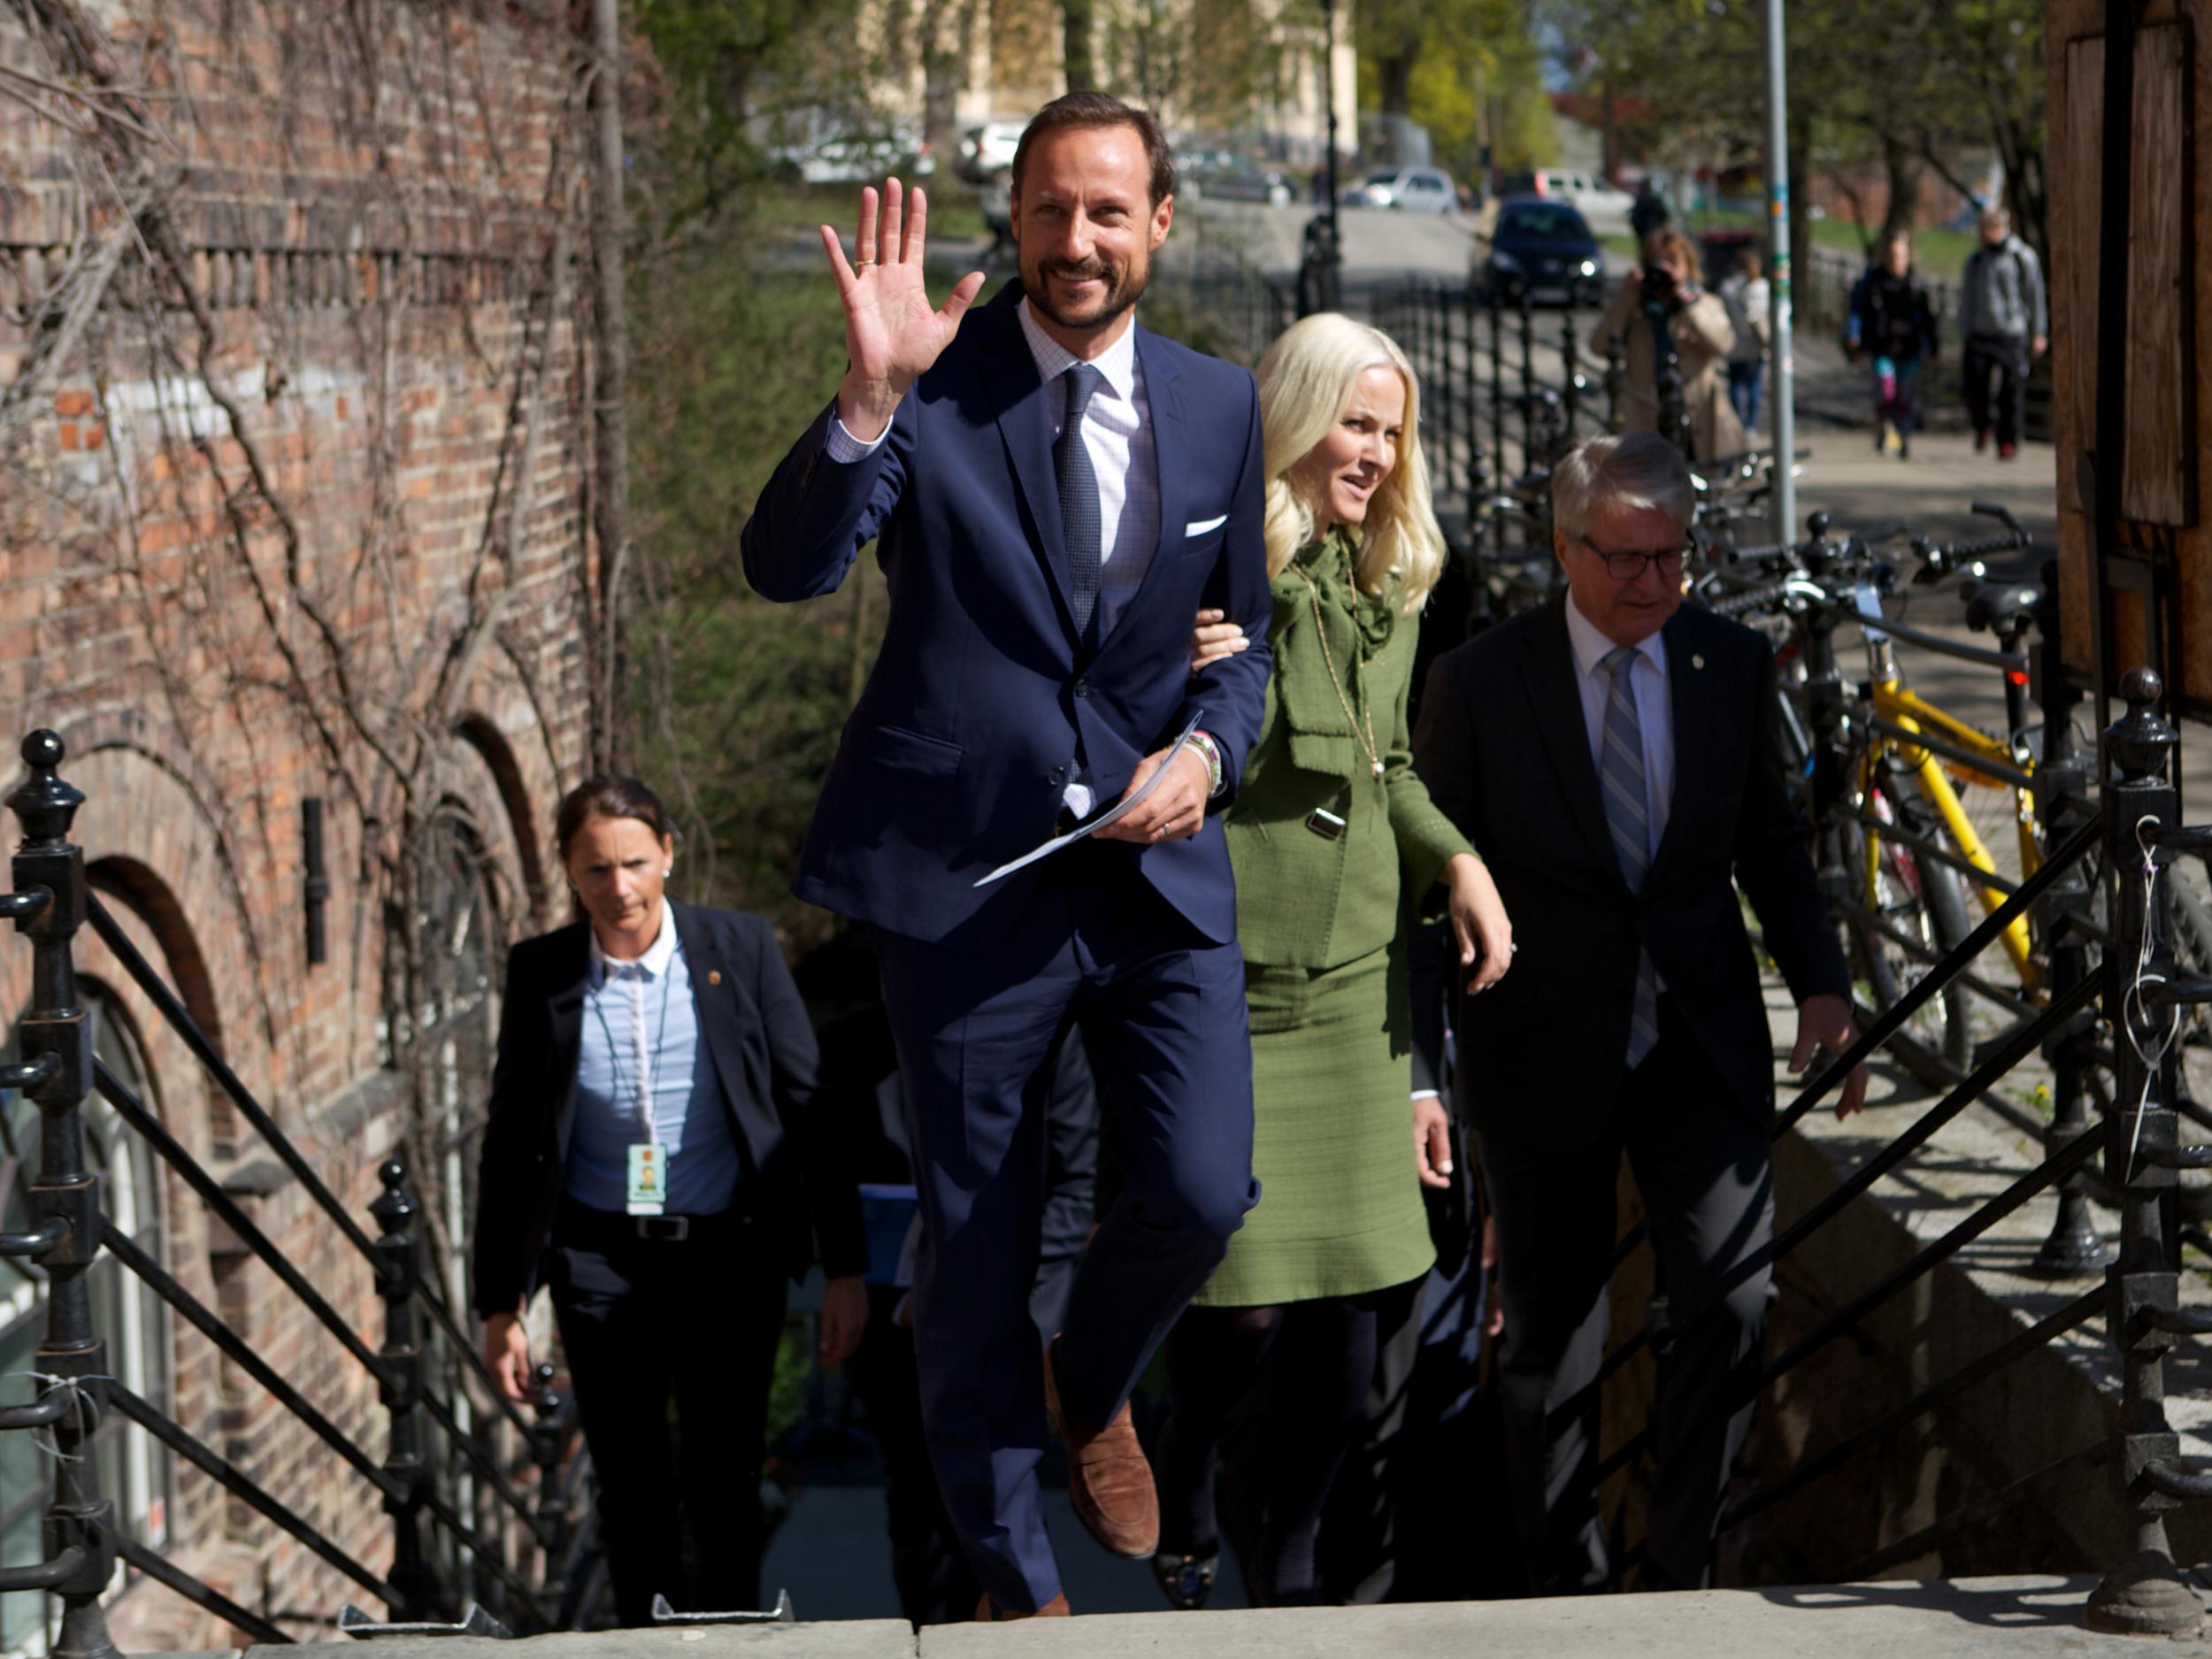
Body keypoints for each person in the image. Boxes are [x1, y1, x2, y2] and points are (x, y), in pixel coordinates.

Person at [739, 90, 1274, 1619]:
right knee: (969, 1252)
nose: (1077, 240)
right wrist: (864, 397)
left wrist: (1209, 751)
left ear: (1161, 222)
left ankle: (1091, 1379)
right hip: (971, 884)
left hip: (1159, 873)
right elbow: (787, 567)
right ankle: (1017, 1583)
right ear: (1015, 218)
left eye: (1108, 211)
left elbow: (1246, 653)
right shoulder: (936, 382)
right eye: (1049, 209)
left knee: (1201, 1181)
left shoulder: (1222, 405)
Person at [1411, 432, 1866, 1594]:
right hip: (1540, 1051)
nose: (1653, 582)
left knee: (1731, 1293)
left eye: (1675, 556)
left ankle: (1678, 1569)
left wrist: (1820, 981)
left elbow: (1770, 838)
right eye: (1625, 558)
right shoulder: (1480, 679)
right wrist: (1427, 1068)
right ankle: (1566, 1587)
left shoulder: (1728, 662)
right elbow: (1427, 886)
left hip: (1697, 1041)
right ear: (1565, 548)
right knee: (1547, 1355)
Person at [1150, 313, 1514, 1610]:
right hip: (1238, 987)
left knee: (1354, 1323)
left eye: (1391, 430)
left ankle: (1290, 1566)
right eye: (1356, 422)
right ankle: (1184, 1472)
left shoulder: (1393, 581)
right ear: (1301, 415)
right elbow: (1158, 743)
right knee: (1243, 1308)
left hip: (1361, 991)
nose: (1374, 451)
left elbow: (1389, 767)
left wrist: (1459, 863)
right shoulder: (1204, 560)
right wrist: (1193, 675)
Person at [470, 777, 868, 1626]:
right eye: (596, 868)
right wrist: (499, 1300)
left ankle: (732, 1642)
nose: (619, 887)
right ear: (570, 872)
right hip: (600, 1259)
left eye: (635, 863)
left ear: (669, 854)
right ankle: (645, 1648)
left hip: (728, 1251)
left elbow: (810, 1108)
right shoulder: (541, 972)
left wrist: (846, 1267)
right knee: (630, 1484)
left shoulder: (741, 948)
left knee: (725, 1478)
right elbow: (510, 1142)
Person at [1590, 229, 1745, 462]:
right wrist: (1625, 298)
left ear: (1688, 267)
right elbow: (1598, 346)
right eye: (1657, 262)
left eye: (1672, 262)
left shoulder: (1705, 304)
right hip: (1645, 423)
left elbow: (1724, 344)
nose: (1664, 269)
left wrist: (1689, 307)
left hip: (1698, 424)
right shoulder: (1637, 310)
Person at [1958, 205, 2047, 459]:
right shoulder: (1976, 262)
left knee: (2011, 391)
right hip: (1980, 333)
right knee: (1975, 387)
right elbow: (1966, 299)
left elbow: (2034, 297)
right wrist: (1965, 331)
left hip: (2012, 333)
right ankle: (1982, 425)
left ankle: (2007, 440)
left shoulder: (2022, 258)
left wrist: (2038, 332)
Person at [1847, 231, 1939, 461]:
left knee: (1906, 394)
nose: (1896, 261)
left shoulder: (1917, 285)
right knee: (1886, 390)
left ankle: (1903, 435)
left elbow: (1928, 320)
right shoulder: (1872, 283)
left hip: (1909, 348)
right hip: (1882, 347)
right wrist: (1854, 339)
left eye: (1900, 256)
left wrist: (1933, 348)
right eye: (1892, 256)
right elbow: (1857, 313)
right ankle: (1886, 427)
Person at [1717, 250, 1770, 433]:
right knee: (1754, 384)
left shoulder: (1727, 288)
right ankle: (1751, 425)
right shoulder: (1762, 288)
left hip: (1734, 343)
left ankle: (1738, 422)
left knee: (1736, 384)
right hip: (1756, 343)